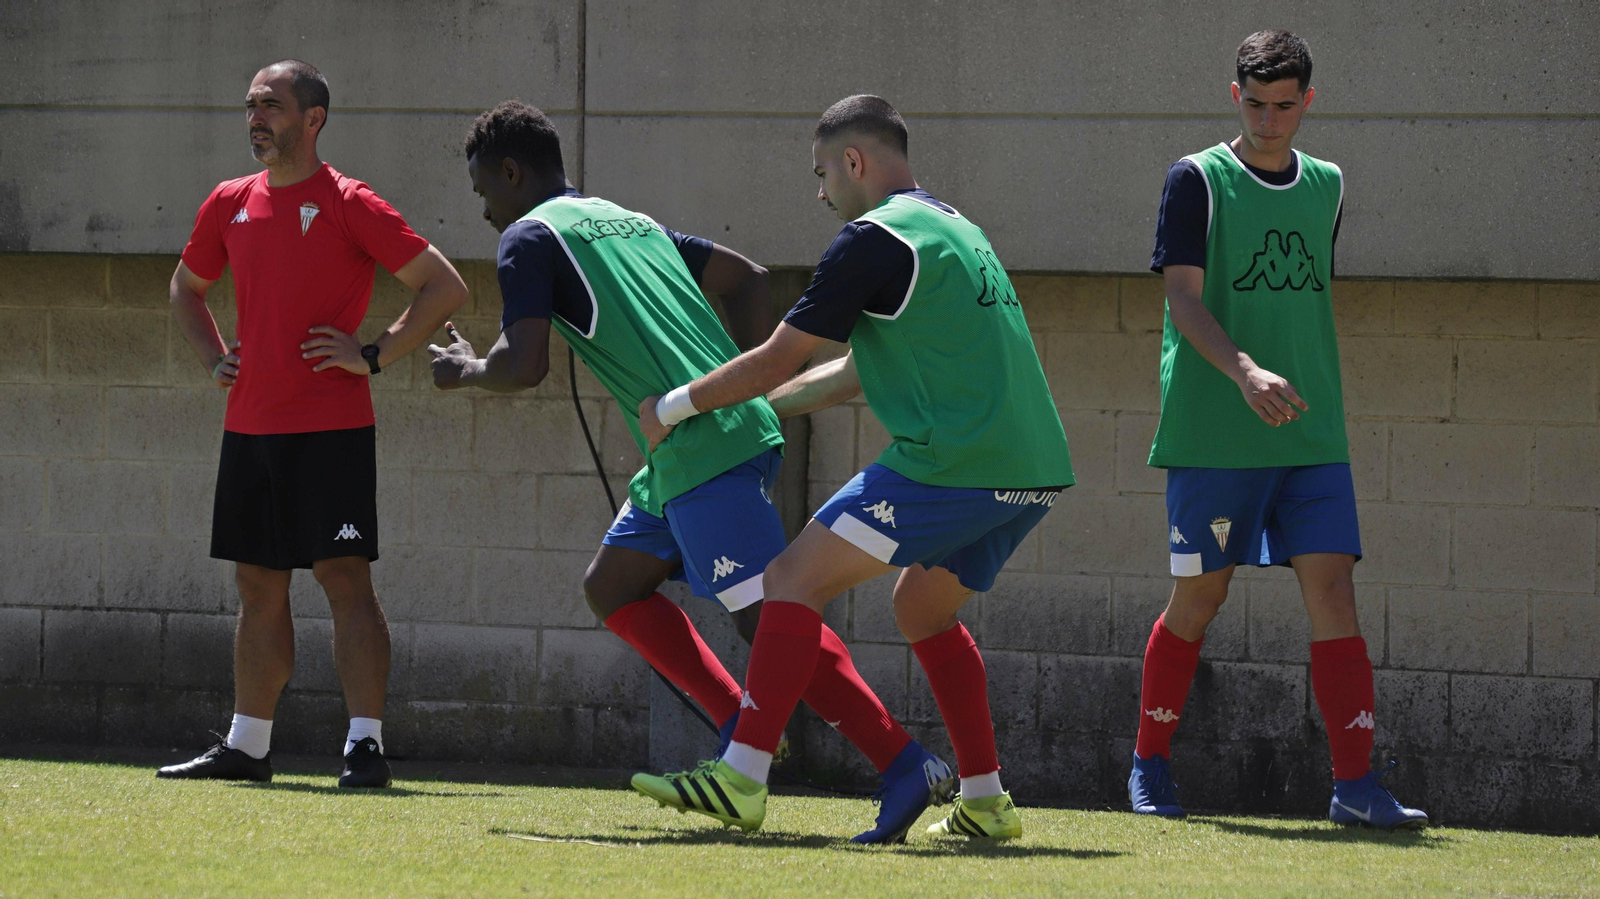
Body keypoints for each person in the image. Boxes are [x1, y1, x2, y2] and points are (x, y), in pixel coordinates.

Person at [429, 100, 952, 843]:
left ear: (512, 173)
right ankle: (741, 726)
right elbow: (747, 279)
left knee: (769, 617)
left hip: (704, 449)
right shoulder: (627, 221)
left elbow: (524, 365)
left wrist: (465, 370)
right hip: (689, 449)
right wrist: (746, 392)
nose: (484, 211)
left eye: (484, 190)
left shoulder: (529, 236)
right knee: (612, 586)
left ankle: (904, 762)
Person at [630, 95, 1074, 840]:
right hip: (1032, 469)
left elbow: (778, 355)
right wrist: (751, 410)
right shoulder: (955, 228)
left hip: (954, 463)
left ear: (854, 161)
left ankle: (741, 775)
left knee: (788, 579)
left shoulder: (871, 239)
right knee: (921, 609)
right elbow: (845, 375)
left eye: (821, 174)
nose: (820, 193)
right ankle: (986, 802)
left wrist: (674, 406)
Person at [1129, 30, 1427, 830]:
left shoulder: (1328, 184)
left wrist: (1281, 380)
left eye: (1284, 106)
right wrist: (1245, 372)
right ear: (1236, 97)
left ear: (1308, 101)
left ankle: (1355, 784)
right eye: (1255, 105)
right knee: (1201, 596)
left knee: (1334, 590)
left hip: (1311, 433)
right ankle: (1149, 761)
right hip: (1215, 432)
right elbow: (1182, 298)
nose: (1268, 121)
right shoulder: (1195, 179)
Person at [157, 60, 468, 788]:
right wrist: (215, 357)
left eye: (271, 105)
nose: (255, 118)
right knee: (257, 584)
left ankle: (365, 747)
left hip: (331, 429)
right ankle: (248, 746)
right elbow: (185, 287)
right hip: (250, 428)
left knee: (343, 578)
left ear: (313, 118)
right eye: (250, 106)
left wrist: (374, 354)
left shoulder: (349, 201)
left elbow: (443, 286)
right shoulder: (228, 201)